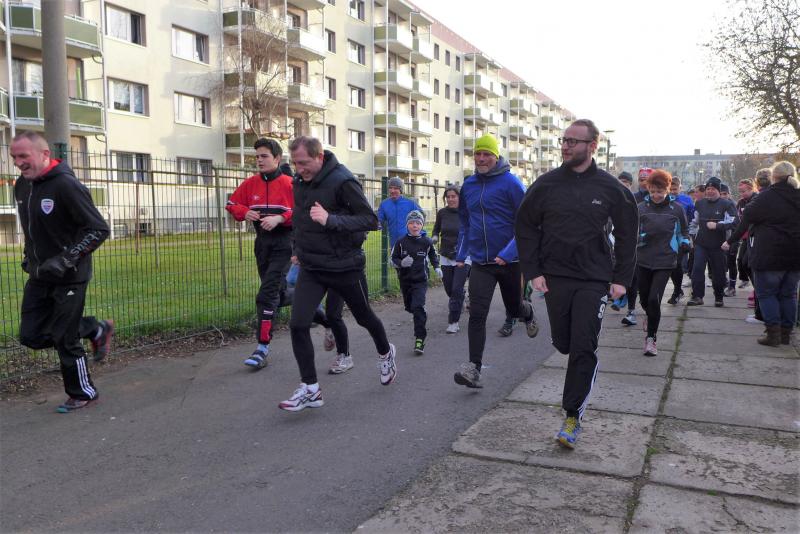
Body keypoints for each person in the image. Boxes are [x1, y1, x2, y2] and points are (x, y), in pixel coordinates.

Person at [516, 118, 638, 449]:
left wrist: (621, 279)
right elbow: (525, 226)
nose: (566, 146)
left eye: (573, 141)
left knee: (584, 346)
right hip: (555, 276)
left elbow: (628, 233)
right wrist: (533, 270)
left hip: (594, 278)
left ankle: (572, 416)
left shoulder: (611, 188)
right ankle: (568, 349)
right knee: (564, 343)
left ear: (592, 146)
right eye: (564, 140)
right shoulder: (546, 185)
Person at [281, 136, 396, 411]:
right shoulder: (300, 182)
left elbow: (370, 220)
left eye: (304, 163)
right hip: (312, 266)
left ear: (319, 157)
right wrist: (297, 248)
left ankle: (386, 353)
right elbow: (300, 219)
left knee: (364, 317)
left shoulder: (343, 181)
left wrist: (330, 219)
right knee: (298, 324)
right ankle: (311, 389)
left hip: (344, 266)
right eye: (295, 163)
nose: (299, 169)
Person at [12, 131, 114, 413]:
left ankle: (83, 393)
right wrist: (29, 258)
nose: (18, 162)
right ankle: (95, 329)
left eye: (23, 156)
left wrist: (66, 260)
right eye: (14, 157)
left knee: (65, 338)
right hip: (39, 275)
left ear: (45, 154)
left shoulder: (66, 185)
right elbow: (32, 230)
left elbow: (98, 229)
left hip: (70, 276)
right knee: (31, 336)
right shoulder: (22, 185)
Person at [452, 133, 537, 390]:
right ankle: (473, 369)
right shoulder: (469, 185)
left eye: (486, 154)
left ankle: (527, 312)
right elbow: (465, 222)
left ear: (496, 156)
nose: (481, 158)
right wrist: (462, 252)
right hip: (481, 262)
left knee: (514, 309)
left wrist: (509, 253)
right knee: (477, 314)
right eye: (477, 154)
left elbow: (527, 223)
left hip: (509, 262)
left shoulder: (511, 183)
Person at [225, 138, 294, 369]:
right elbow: (231, 204)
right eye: (257, 157)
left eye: (264, 156)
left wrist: (281, 218)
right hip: (262, 245)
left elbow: (303, 211)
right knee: (277, 294)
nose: (259, 160)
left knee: (266, 295)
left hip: (285, 243)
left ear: (277, 158)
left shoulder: (289, 183)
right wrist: (244, 212)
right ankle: (312, 304)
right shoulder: (250, 183)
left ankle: (262, 347)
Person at [723, 161, 800, 346]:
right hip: (795, 254)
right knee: (789, 295)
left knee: (767, 294)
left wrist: (730, 241)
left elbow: (745, 221)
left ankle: (773, 334)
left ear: (774, 177)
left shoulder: (765, 197)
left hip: (769, 254)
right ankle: (786, 334)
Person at [635, 170, 690, 356]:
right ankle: (650, 315)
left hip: (666, 259)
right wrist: (641, 238)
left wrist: (685, 242)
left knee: (654, 299)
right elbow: (632, 232)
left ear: (667, 189)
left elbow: (683, 231)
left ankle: (651, 339)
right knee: (644, 299)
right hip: (643, 259)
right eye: (652, 191)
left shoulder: (677, 209)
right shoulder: (641, 208)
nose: (656, 195)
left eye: (660, 192)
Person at [282, 260, 351, 374]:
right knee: (303, 309)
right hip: (311, 267)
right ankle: (327, 324)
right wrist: (297, 253)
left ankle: (345, 355)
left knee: (334, 314)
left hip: (338, 268)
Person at [391, 210, 442, 354]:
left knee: (418, 307)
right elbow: (392, 259)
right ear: (407, 225)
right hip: (405, 281)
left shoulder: (427, 242)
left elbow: (433, 254)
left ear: (422, 225)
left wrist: (436, 267)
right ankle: (419, 310)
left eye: (418, 223)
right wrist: (401, 263)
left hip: (420, 281)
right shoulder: (401, 242)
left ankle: (420, 339)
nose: (415, 226)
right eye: (412, 223)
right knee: (411, 308)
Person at [687, 177, 737, 307]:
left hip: (719, 244)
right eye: (708, 188)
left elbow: (735, 222)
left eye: (713, 189)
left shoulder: (726, 204)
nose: (710, 191)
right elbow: (694, 221)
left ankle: (719, 297)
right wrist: (691, 236)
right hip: (701, 243)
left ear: (718, 191)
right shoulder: (700, 203)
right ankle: (697, 296)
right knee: (697, 269)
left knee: (718, 272)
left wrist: (717, 225)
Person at [432, 184, 469, 333]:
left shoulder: (466, 212)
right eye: (448, 197)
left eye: (454, 196)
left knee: (456, 289)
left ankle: (453, 322)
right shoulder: (442, 213)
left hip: (463, 256)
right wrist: (434, 237)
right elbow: (436, 229)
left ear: (460, 197)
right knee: (449, 289)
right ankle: (461, 297)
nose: (451, 199)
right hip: (446, 255)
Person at [667, 175, 695, 304]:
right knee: (670, 265)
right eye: (671, 189)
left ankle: (677, 291)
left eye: (675, 189)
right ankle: (678, 290)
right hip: (667, 236)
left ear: (680, 188)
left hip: (681, 236)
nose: (673, 192)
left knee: (677, 264)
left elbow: (691, 217)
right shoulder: (664, 199)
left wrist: (688, 236)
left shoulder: (687, 200)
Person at [377, 176, 423, 248]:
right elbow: (379, 220)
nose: (392, 191)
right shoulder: (384, 204)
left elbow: (422, 217)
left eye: (395, 188)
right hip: (394, 244)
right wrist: (377, 224)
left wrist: (418, 232)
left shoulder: (411, 203)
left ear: (400, 190)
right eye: (390, 188)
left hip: (411, 242)